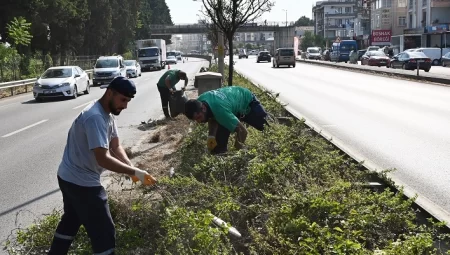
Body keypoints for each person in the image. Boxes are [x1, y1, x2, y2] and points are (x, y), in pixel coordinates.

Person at [48, 76, 156, 255]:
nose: (125, 105)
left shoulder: (107, 113)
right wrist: (134, 171)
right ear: (109, 93)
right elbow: (103, 159)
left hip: (67, 176)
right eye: (123, 100)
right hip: (80, 182)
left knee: (71, 220)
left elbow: (115, 146)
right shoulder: (95, 117)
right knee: (104, 232)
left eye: (128, 101)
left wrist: (132, 170)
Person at [184, 86, 268, 154]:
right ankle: (221, 153)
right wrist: (211, 136)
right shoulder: (200, 101)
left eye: (199, 117)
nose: (198, 121)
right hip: (229, 105)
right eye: (195, 119)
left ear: (203, 108)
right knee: (218, 148)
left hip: (247, 101)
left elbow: (242, 131)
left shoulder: (220, 112)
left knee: (267, 128)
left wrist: (238, 148)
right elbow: (212, 117)